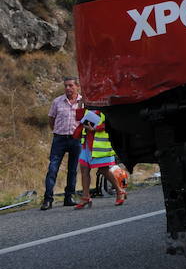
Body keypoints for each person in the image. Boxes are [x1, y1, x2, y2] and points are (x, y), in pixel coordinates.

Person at [41, 77, 83, 210]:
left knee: (72, 170)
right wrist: (57, 131)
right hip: (59, 139)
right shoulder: (57, 102)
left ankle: (69, 197)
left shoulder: (83, 102)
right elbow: (51, 119)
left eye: (71, 85)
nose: (68, 88)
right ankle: (48, 199)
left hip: (76, 140)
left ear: (77, 86)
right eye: (66, 86)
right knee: (53, 169)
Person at [72, 110, 126, 208]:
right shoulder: (88, 104)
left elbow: (110, 124)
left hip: (100, 145)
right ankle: (86, 197)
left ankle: (119, 191)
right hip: (87, 143)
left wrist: (95, 128)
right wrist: (80, 104)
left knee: (103, 170)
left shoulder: (103, 105)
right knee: (84, 169)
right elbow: (79, 117)